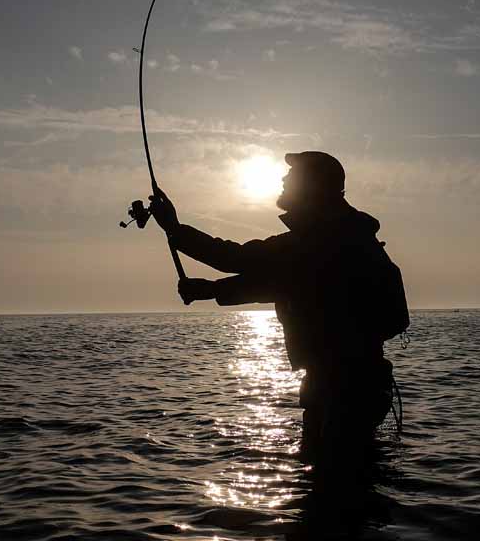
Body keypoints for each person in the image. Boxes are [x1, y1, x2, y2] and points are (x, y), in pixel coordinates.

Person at [147, 150, 409, 469]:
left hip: (342, 390)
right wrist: (213, 290)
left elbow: (236, 259)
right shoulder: (340, 236)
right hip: (354, 385)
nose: (283, 181)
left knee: (332, 491)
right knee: (349, 491)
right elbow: (280, 283)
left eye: (292, 177)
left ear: (312, 186)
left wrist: (174, 228)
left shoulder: (318, 240)